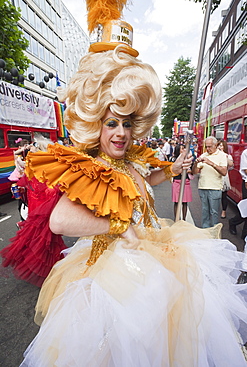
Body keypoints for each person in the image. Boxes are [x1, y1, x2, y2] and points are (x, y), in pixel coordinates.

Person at [17, 44, 247, 366]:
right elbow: (60, 220)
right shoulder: (94, 167)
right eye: (111, 124)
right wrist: (120, 226)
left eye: (126, 124)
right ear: (95, 123)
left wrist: (171, 170)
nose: (121, 133)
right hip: (115, 273)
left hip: (155, 253)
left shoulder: (130, 162)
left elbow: (143, 181)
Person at [0, 136, 67, 287]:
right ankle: (49, 273)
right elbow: (29, 189)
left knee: (47, 244)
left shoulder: (47, 172)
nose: (32, 153)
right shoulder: (33, 171)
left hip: (44, 215)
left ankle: (53, 271)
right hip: (38, 214)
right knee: (41, 244)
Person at [192, 136, 227, 228]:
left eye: (210, 146)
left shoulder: (222, 156)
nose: (208, 149)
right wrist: (195, 163)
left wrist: (211, 163)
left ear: (215, 145)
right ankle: (205, 230)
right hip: (203, 187)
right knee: (205, 211)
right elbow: (195, 172)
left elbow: (224, 172)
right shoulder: (204, 155)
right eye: (206, 146)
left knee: (214, 211)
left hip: (215, 188)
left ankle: (214, 231)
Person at [229, 148, 247, 241]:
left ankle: (245, 235)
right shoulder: (245, 152)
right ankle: (233, 222)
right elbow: (245, 169)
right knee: (245, 209)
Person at [172, 144, 193, 220]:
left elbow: (192, 170)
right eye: (182, 148)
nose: (184, 150)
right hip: (177, 181)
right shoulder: (173, 159)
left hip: (185, 181)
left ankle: (184, 219)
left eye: (184, 148)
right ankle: (176, 219)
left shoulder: (188, 159)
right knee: (176, 202)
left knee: (185, 202)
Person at [217, 139, 234, 219]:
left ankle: (224, 211)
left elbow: (231, 164)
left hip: (223, 177)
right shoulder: (215, 155)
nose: (219, 147)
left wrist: (224, 156)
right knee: (215, 195)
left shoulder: (227, 156)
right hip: (215, 177)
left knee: (224, 196)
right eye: (218, 146)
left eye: (221, 146)